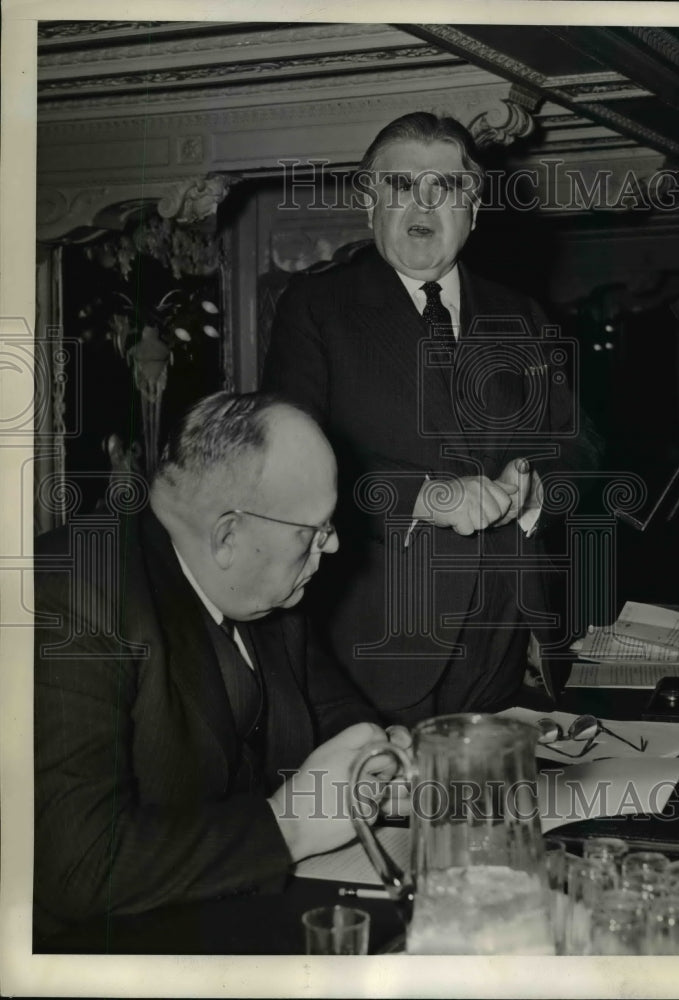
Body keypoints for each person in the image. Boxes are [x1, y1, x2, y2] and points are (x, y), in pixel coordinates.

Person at [262, 111, 603, 726]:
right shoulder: (317, 308)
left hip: (509, 634)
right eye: (398, 186)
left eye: (443, 187)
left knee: (495, 813)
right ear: (370, 205)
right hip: (378, 644)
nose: (422, 203)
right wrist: (426, 496)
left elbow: (580, 448)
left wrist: (535, 493)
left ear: (471, 208)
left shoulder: (521, 312)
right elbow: (286, 469)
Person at [34, 392, 403, 940]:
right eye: (314, 531)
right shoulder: (73, 596)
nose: (333, 545)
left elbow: (333, 710)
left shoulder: (264, 585)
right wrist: (289, 827)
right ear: (229, 535)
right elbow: (79, 864)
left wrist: (379, 756)